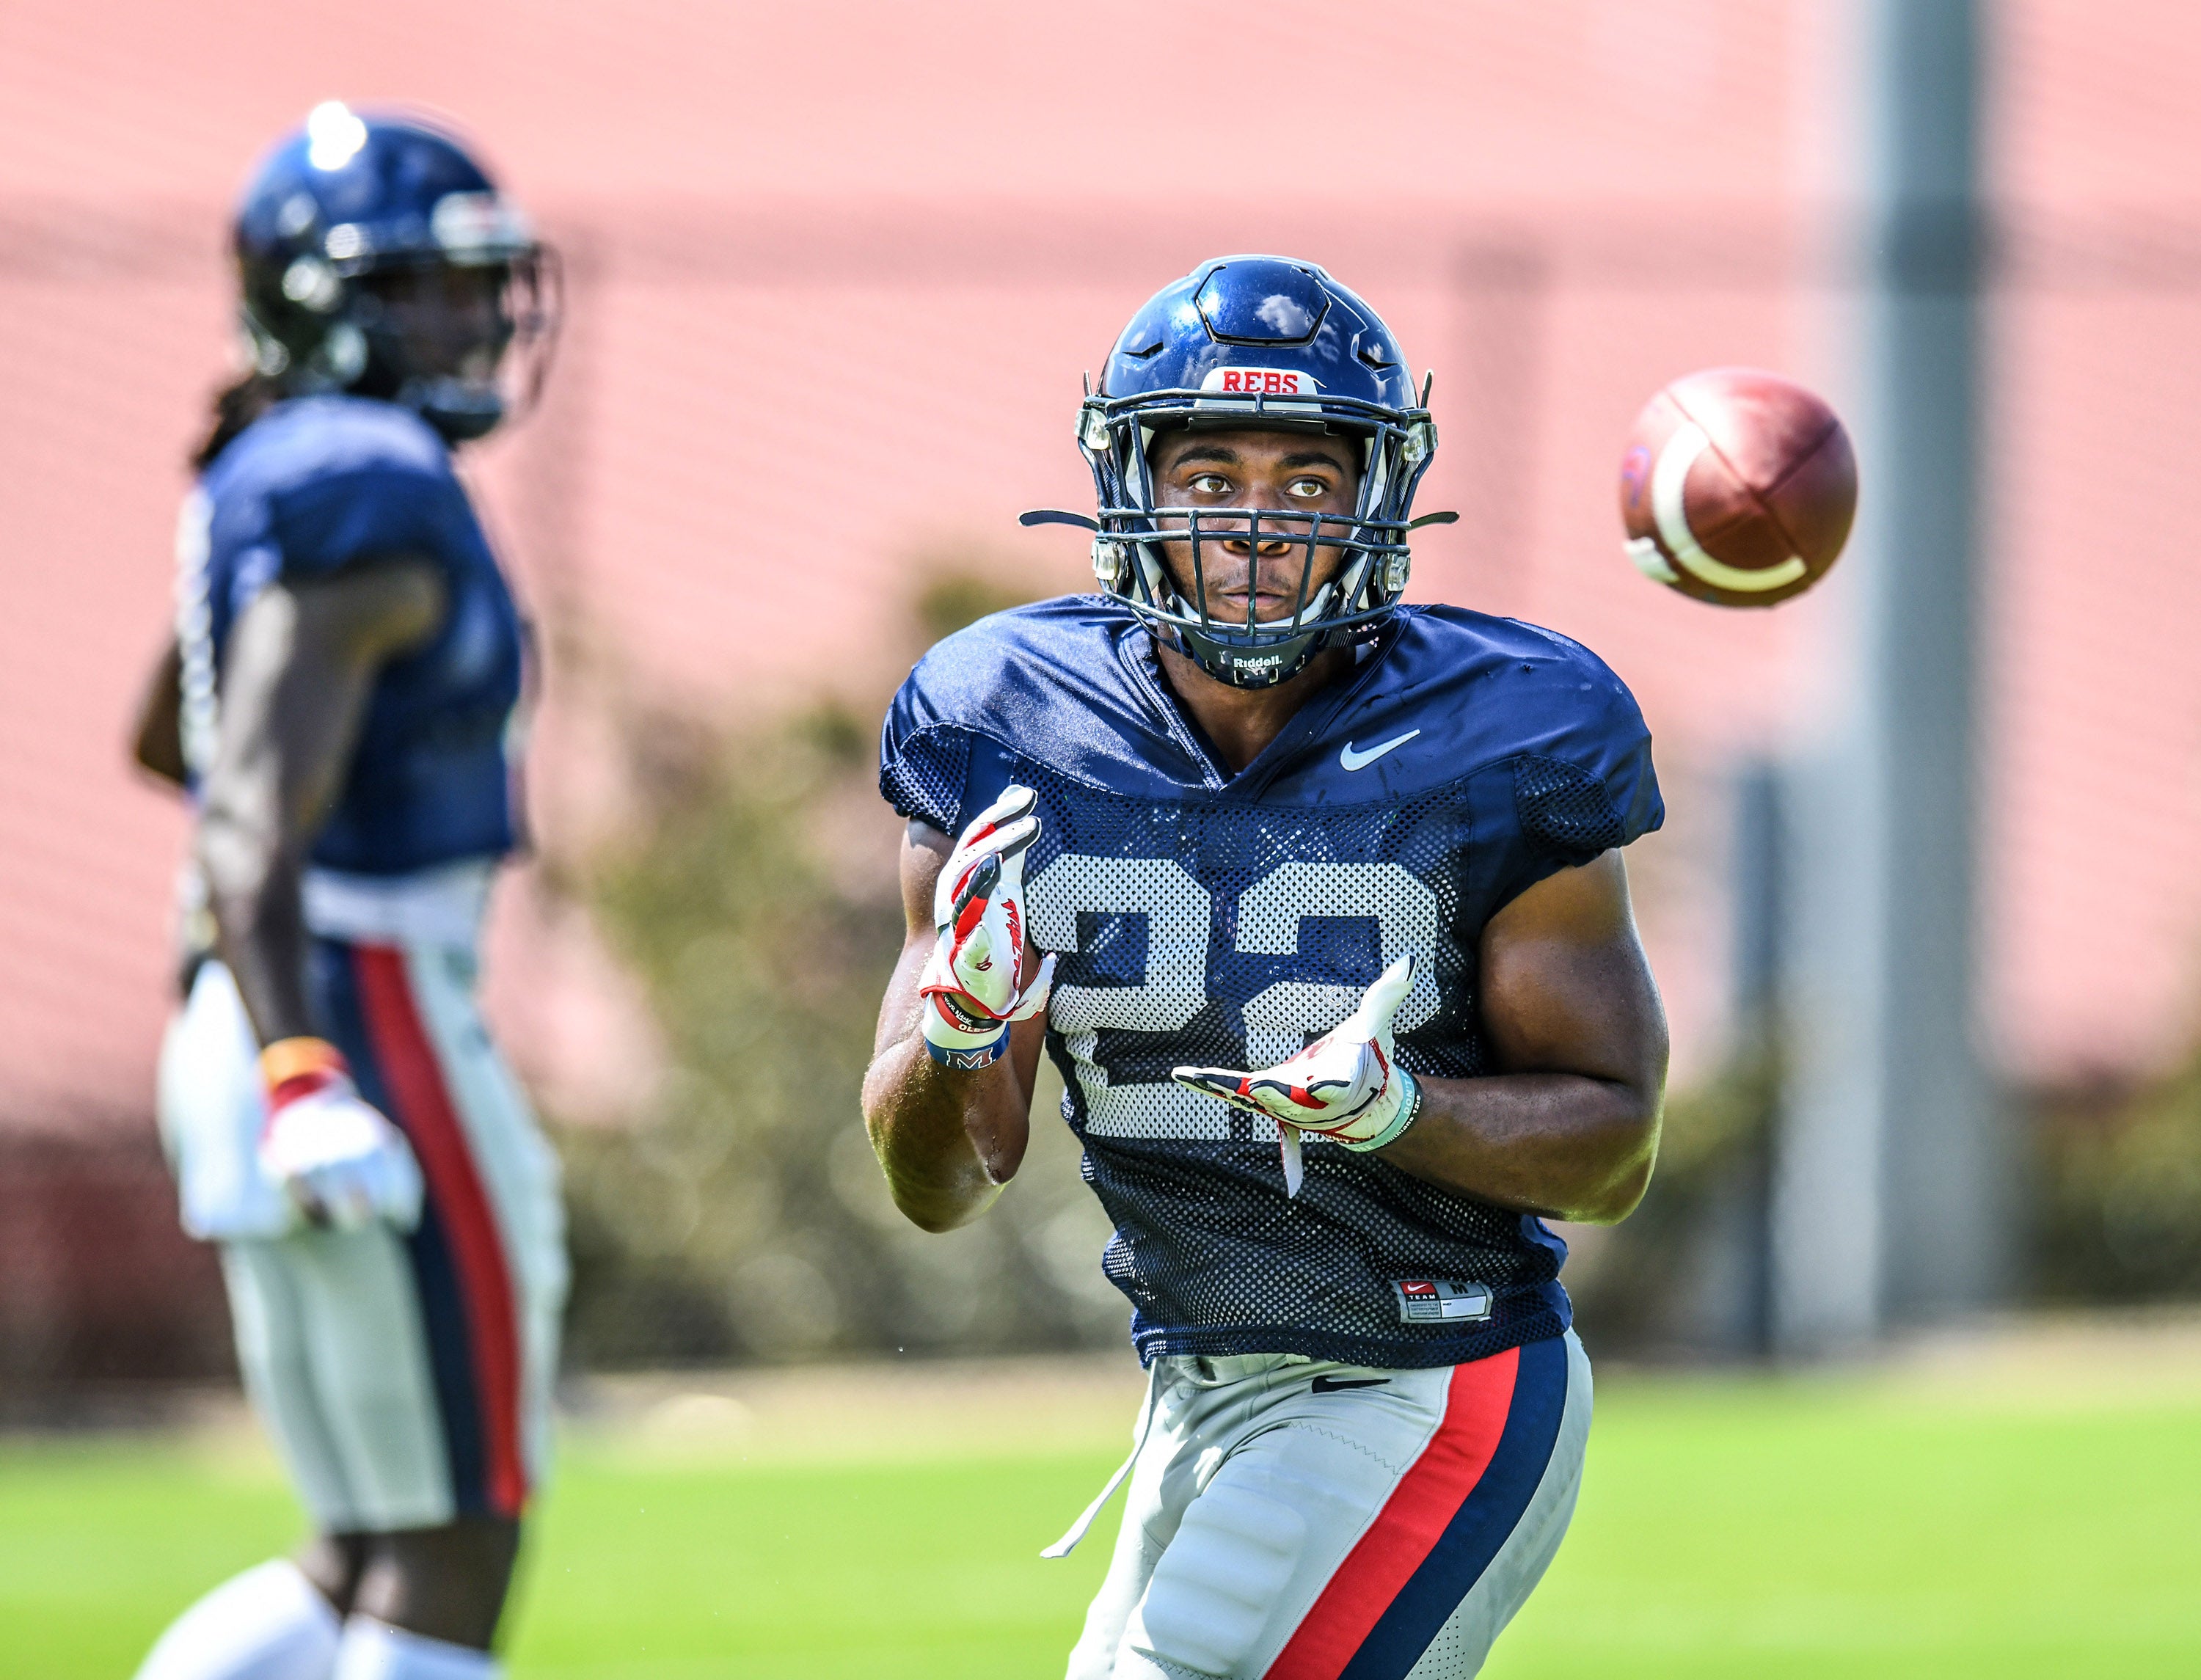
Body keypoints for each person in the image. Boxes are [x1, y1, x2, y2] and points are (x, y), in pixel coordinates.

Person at [864, 255, 1668, 1679]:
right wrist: (959, 1025)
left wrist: (1398, 1114)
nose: (1253, 525)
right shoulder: (1005, 722)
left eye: (1307, 482)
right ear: (1133, 490)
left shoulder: (1506, 728)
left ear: (1376, 502)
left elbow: (1611, 1145)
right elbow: (937, 1181)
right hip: (1199, 1389)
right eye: (1210, 473)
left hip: (1433, 1385)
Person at [128, 103, 566, 1680]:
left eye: (477, 287)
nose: (470, 320)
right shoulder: (368, 475)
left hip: (253, 1004)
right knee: (459, 1527)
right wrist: (307, 1068)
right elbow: (244, 795)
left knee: (362, 1538)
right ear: (316, 292)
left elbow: (169, 728)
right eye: (419, 289)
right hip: (350, 1007)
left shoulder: (273, 455)